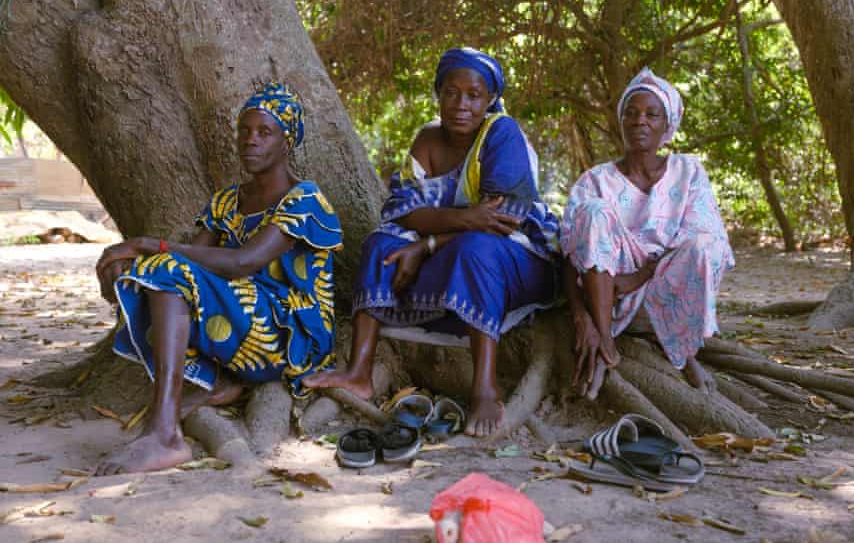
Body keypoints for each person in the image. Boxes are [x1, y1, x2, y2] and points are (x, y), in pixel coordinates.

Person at [303, 47, 560, 436]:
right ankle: (359, 370)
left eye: (474, 96)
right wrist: (457, 222)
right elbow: (402, 209)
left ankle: (485, 388)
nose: (461, 104)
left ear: (490, 100)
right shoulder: (427, 138)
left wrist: (427, 245)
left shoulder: (501, 133)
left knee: (477, 249)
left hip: (519, 258)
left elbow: (500, 222)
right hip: (460, 248)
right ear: (438, 94)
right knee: (380, 244)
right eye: (451, 93)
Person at [94, 82, 342, 474]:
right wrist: (130, 268)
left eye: (264, 132)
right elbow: (195, 265)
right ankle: (216, 386)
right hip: (246, 328)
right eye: (244, 131)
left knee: (164, 268)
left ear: (286, 142)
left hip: (290, 338)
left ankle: (166, 433)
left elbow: (241, 262)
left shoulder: (304, 201)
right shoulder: (227, 201)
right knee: (159, 276)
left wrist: (147, 244)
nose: (250, 141)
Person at [560, 68, 734, 399]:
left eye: (651, 114)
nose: (640, 121)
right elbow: (569, 251)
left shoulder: (687, 171)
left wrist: (640, 276)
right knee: (594, 212)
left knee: (704, 246)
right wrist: (581, 316)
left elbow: (703, 234)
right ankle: (605, 339)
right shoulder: (595, 180)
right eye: (631, 113)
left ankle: (685, 350)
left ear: (667, 127)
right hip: (607, 294)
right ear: (621, 122)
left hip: (666, 286)